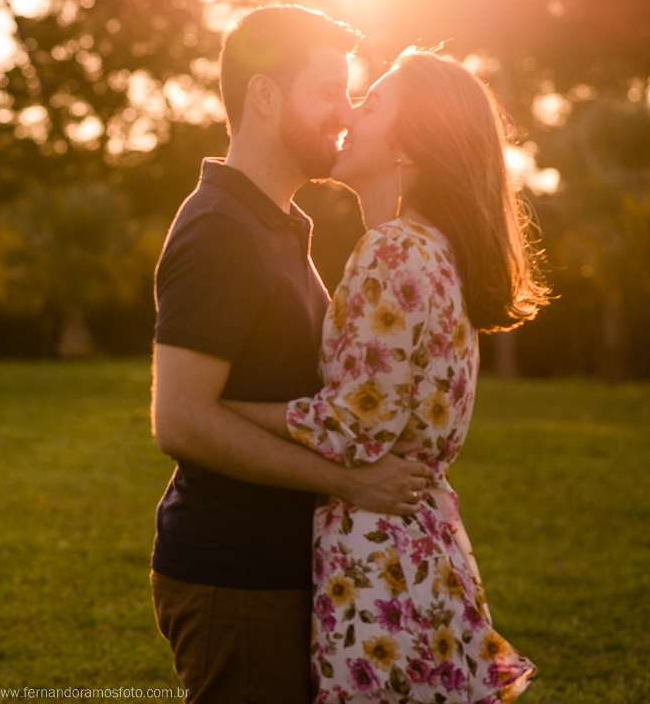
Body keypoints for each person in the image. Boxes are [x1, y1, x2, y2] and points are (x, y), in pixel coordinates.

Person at [223, 48, 549, 703]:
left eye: (369, 105)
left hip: (379, 559)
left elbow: (355, 426)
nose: (346, 115)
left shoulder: (394, 249)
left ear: (408, 147)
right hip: (422, 545)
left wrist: (228, 407)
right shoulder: (435, 249)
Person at [149, 5, 432, 704]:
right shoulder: (221, 230)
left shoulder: (276, 224)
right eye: (329, 91)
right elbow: (180, 419)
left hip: (283, 568)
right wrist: (351, 483)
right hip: (234, 575)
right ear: (265, 96)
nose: (346, 111)